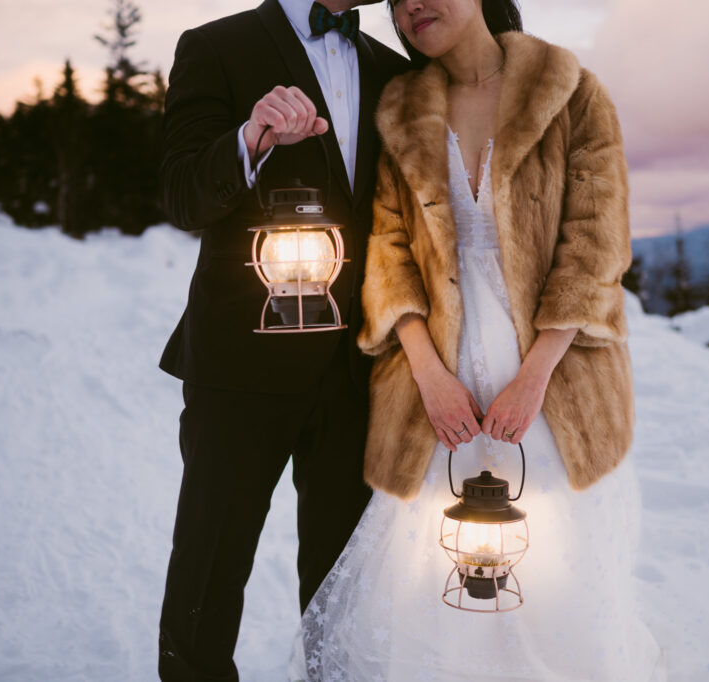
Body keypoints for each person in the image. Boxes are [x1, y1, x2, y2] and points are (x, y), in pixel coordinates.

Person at [289, 0, 667, 679]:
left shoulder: (573, 92)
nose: (410, 6)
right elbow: (387, 252)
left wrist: (533, 377)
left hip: (553, 375)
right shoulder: (400, 109)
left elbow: (596, 248)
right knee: (426, 565)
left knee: (549, 558)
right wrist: (429, 375)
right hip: (435, 378)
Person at [155, 0, 409, 679]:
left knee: (343, 583)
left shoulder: (395, 70)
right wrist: (252, 137)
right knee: (210, 568)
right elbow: (181, 195)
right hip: (241, 362)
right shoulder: (215, 46)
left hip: (355, 368)